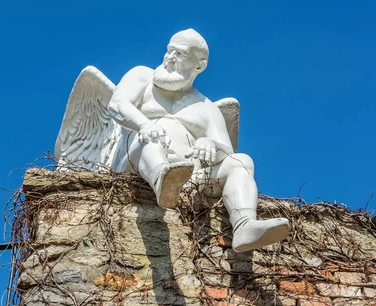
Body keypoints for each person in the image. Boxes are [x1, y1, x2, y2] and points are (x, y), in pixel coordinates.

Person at [108, 29, 289, 252]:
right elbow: (118, 104)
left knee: (241, 161)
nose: (170, 58)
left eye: (180, 54)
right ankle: (161, 179)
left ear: (199, 66)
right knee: (149, 137)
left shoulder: (207, 108)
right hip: (135, 164)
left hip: (188, 178)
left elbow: (227, 151)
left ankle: (244, 226)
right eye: (169, 50)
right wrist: (145, 124)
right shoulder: (142, 77)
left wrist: (212, 145)